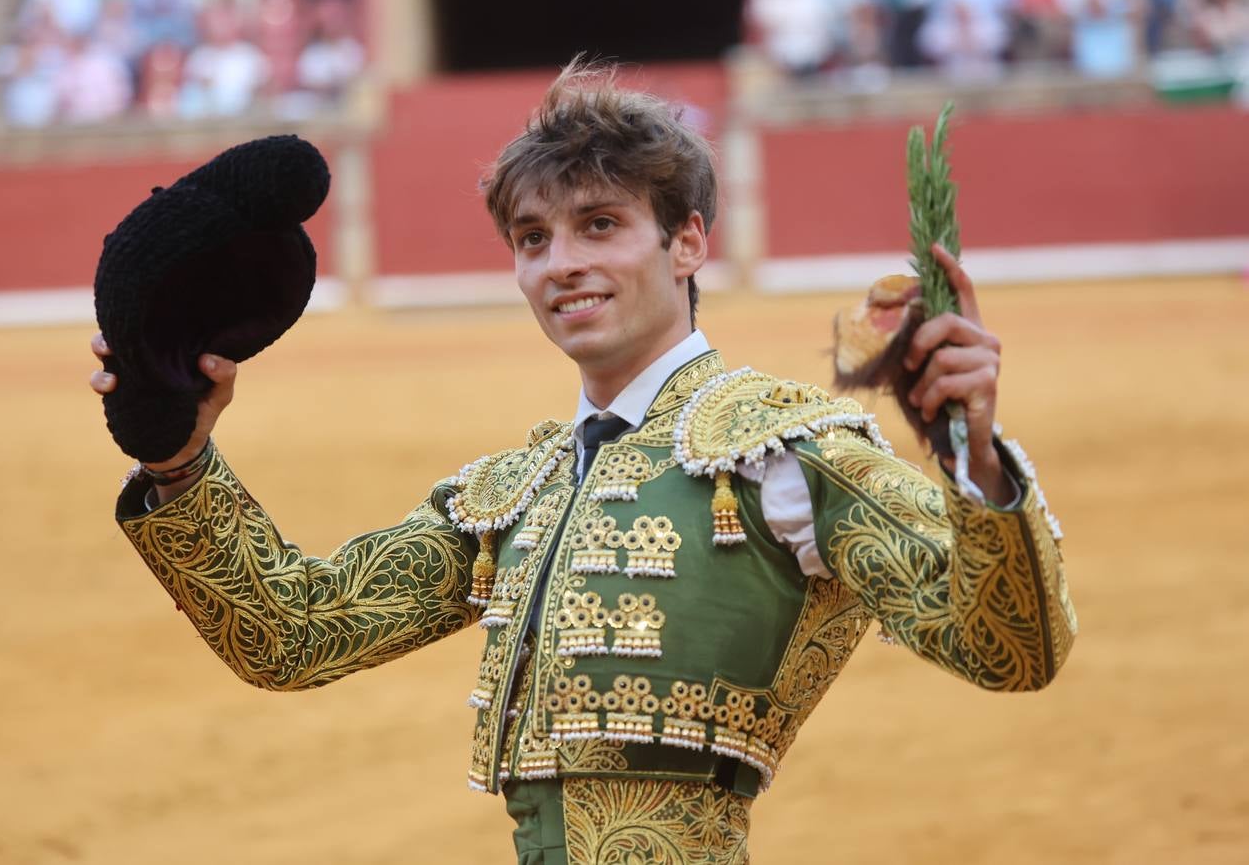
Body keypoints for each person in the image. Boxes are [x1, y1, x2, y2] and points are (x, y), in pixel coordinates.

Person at [89, 59, 1076, 863]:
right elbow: (297, 633)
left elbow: (1010, 650)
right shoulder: (519, 489)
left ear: (686, 242)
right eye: (532, 237)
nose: (561, 262)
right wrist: (182, 460)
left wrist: (974, 466)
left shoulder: (785, 451)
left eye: (599, 226)